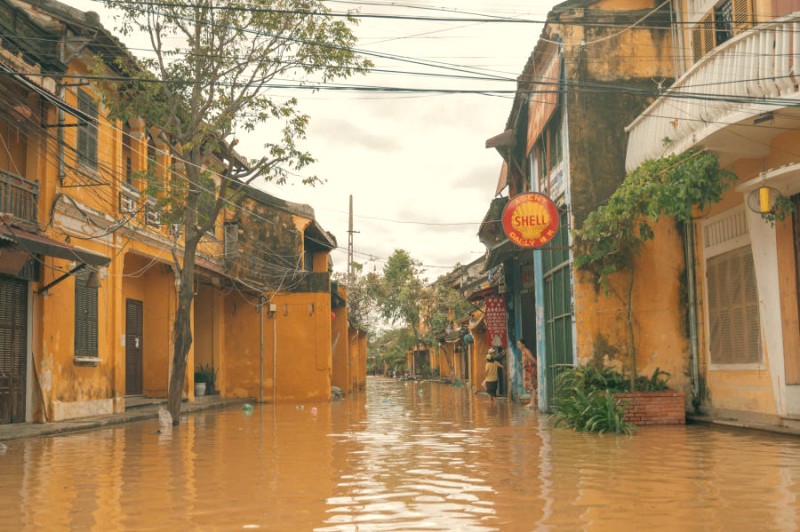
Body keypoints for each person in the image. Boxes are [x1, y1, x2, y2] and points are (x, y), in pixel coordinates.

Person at [518, 339, 536, 409]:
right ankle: (531, 402)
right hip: (527, 371)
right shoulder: (523, 352)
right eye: (518, 344)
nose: (518, 346)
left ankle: (533, 403)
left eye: (519, 344)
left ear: (523, 344)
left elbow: (533, 360)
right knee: (530, 387)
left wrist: (533, 367)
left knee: (532, 386)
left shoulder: (526, 351)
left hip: (530, 371)